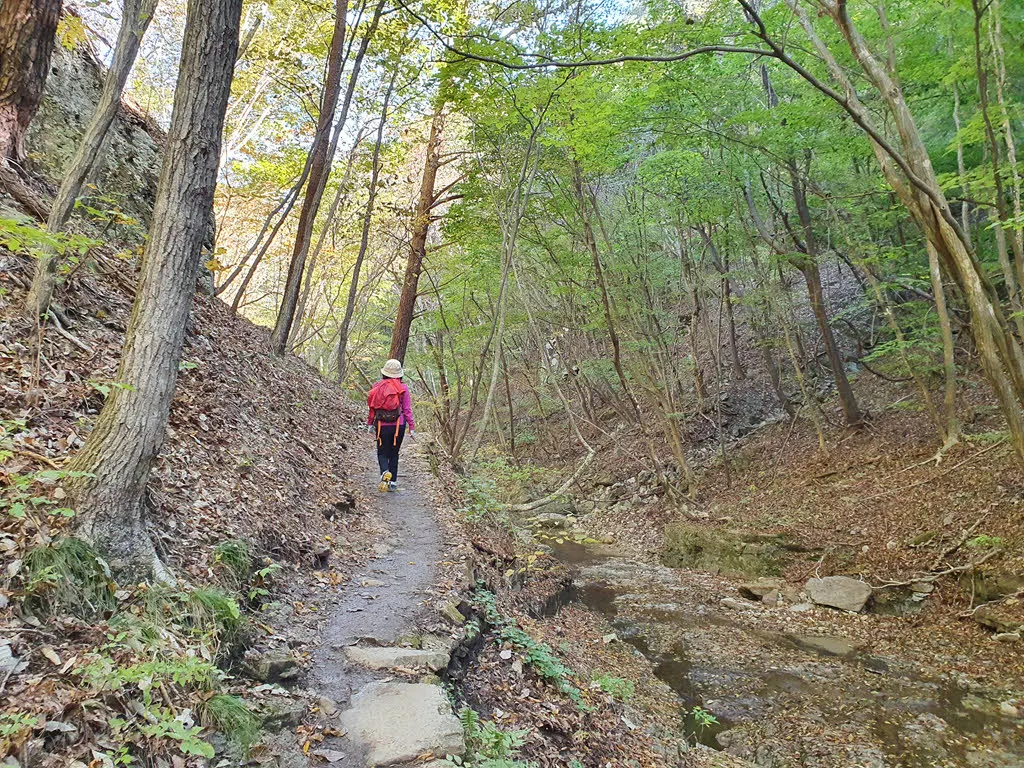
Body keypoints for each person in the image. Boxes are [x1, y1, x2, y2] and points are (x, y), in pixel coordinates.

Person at [366, 358, 415, 492]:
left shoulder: (377, 386)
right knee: (394, 453)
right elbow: (407, 409)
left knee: (382, 451)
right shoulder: (403, 388)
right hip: (399, 425)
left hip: (382, 425)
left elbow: (372, 408)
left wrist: (370, 423)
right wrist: (411, 427)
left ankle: (384, 472)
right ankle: (392, 482)